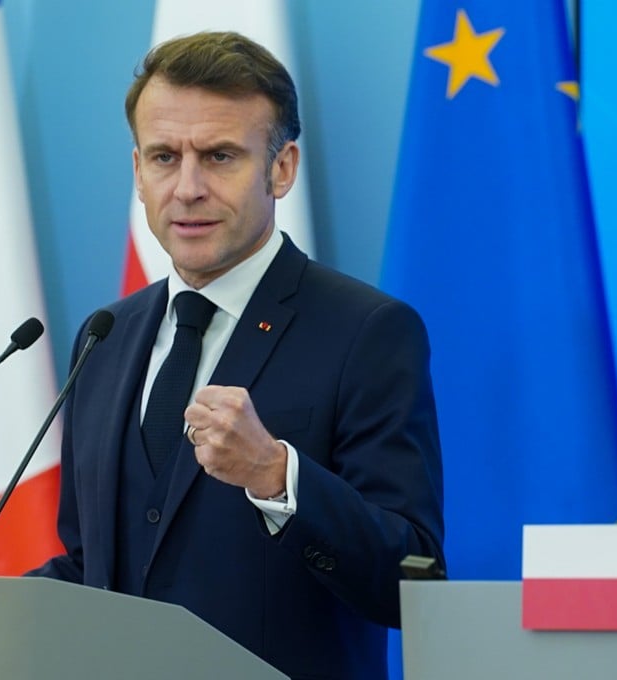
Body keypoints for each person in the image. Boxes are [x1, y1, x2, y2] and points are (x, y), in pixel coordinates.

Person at [30, 31, 444, 680]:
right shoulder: (105, 336)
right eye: (165, 157)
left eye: (220, 156)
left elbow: (409, 579)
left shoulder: (367, 331)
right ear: (138, 173)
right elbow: (93, 566)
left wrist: (279, 477)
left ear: (282, 168)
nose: (188, 188)